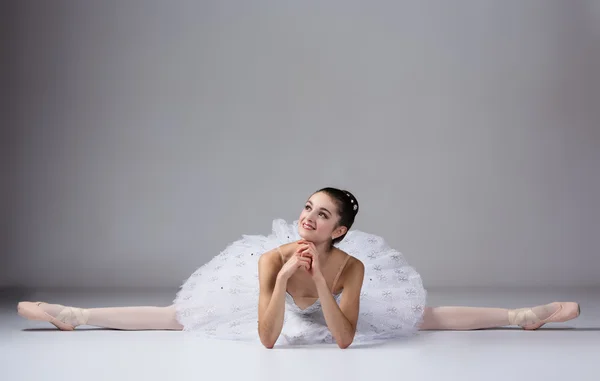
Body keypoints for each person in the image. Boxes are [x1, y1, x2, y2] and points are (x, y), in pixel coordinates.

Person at [17, 187, 581, 348]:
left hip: (331, 301)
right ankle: (73, 315)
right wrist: (287, 278)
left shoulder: (354, 267)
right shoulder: (270, 258)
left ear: (339, 229)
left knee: (421, 317)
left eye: (322, 215)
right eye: (306, 208)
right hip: (279, 298)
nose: (308, 218)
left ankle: (525, 315)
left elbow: (342, 342)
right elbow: (267, 341)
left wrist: (323, 283)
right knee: (179, 317)